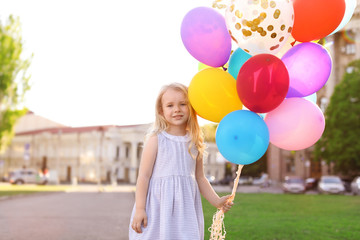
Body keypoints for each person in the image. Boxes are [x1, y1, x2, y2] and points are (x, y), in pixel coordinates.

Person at [129, 83, 233, 239]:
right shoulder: (156, 139)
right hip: (159, 206)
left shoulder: (194, 141)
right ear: (161, 111)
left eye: (183, 104)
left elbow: (200, 178)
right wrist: (140, 209)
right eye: (170, 105)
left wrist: (217, 201)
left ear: (191, 108)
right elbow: (143, 176)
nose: (177, 109)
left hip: (185, 208)